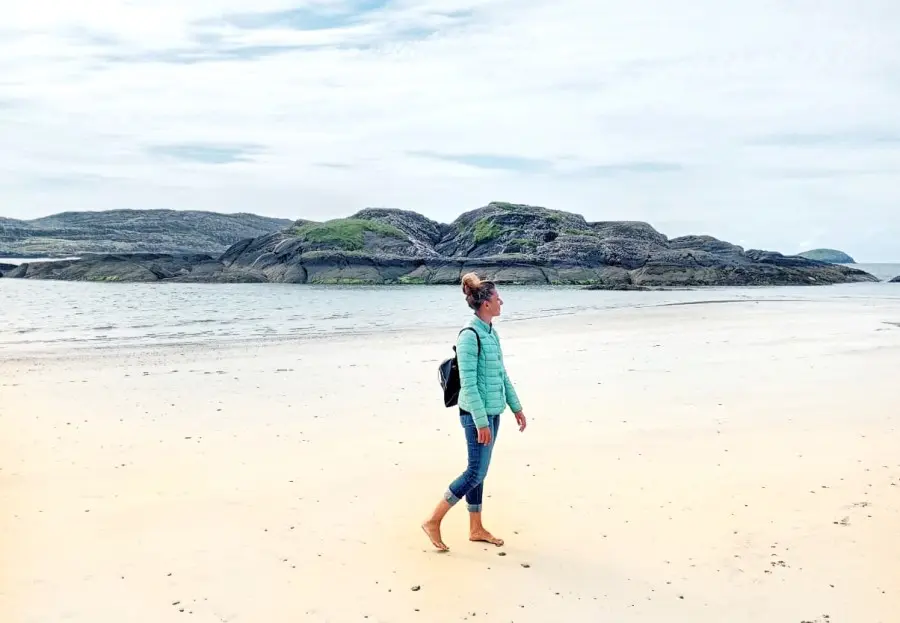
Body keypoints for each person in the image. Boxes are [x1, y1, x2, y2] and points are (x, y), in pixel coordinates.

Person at [421, 272, 527, 552]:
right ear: (486, 304)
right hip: (475, 415)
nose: (501, 301)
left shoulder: (491, 333)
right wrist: (481, 421)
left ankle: (476, 528)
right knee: (474, 472)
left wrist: (516, 407)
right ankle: (433, 520)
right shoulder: (469, 336)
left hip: (493, 411)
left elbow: (501, 374)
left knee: (481, 472)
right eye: (497, 298)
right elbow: (468, 383)